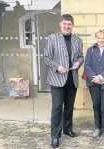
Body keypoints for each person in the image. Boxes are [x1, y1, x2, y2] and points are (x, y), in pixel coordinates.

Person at [43, 14, 84, 148]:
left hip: (72, 79)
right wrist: (57, 67)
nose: (67, 26)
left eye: (69, 24)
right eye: (65, 24)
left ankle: (67, 129)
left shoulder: (78, 40)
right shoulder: (52, 39)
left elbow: (81, 57)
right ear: (60, 24)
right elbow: (46, 58)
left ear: (72, 25)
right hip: (57, 80)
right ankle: (55, 136)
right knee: (56, 109)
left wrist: (79, 62)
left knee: (69, 108)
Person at [84, 29, 104, 140]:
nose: (101, 40)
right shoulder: (91, 50)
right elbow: (87, 65)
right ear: (96, 39)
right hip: (93, 83)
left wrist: (102, 77)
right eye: (99, 38)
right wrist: (95, 77)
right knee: (96, 105)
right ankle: (97, 127)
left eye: (103, 38)